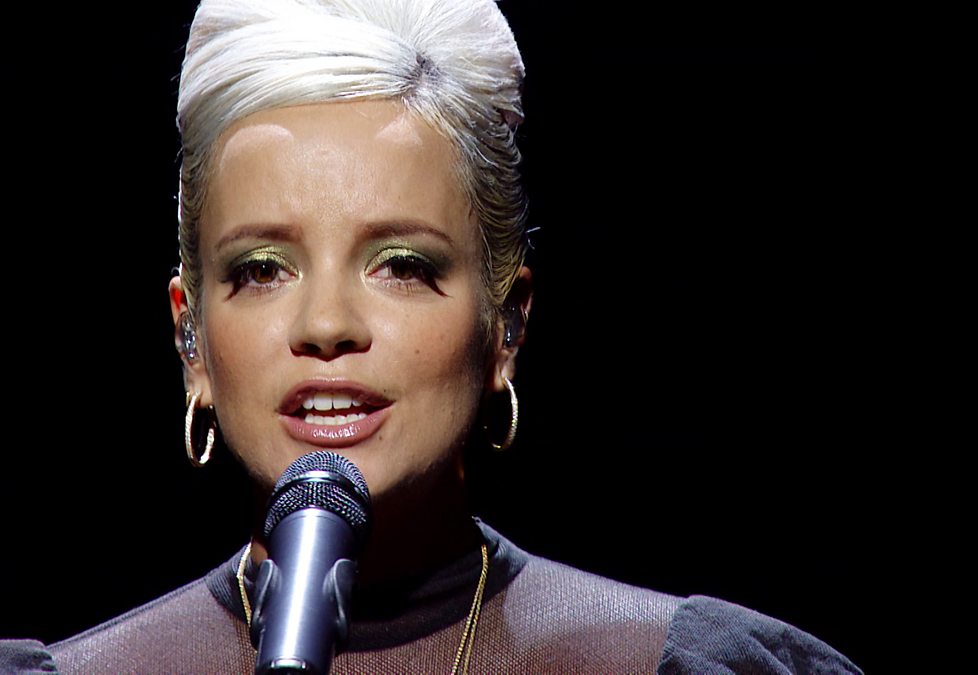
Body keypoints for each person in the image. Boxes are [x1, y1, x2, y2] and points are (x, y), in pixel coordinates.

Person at [5, 0, 861, 672]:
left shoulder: (671, 661)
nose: (327, 325)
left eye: (402, 265)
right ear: (190, 339)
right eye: (262, 269)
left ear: (507, 325)